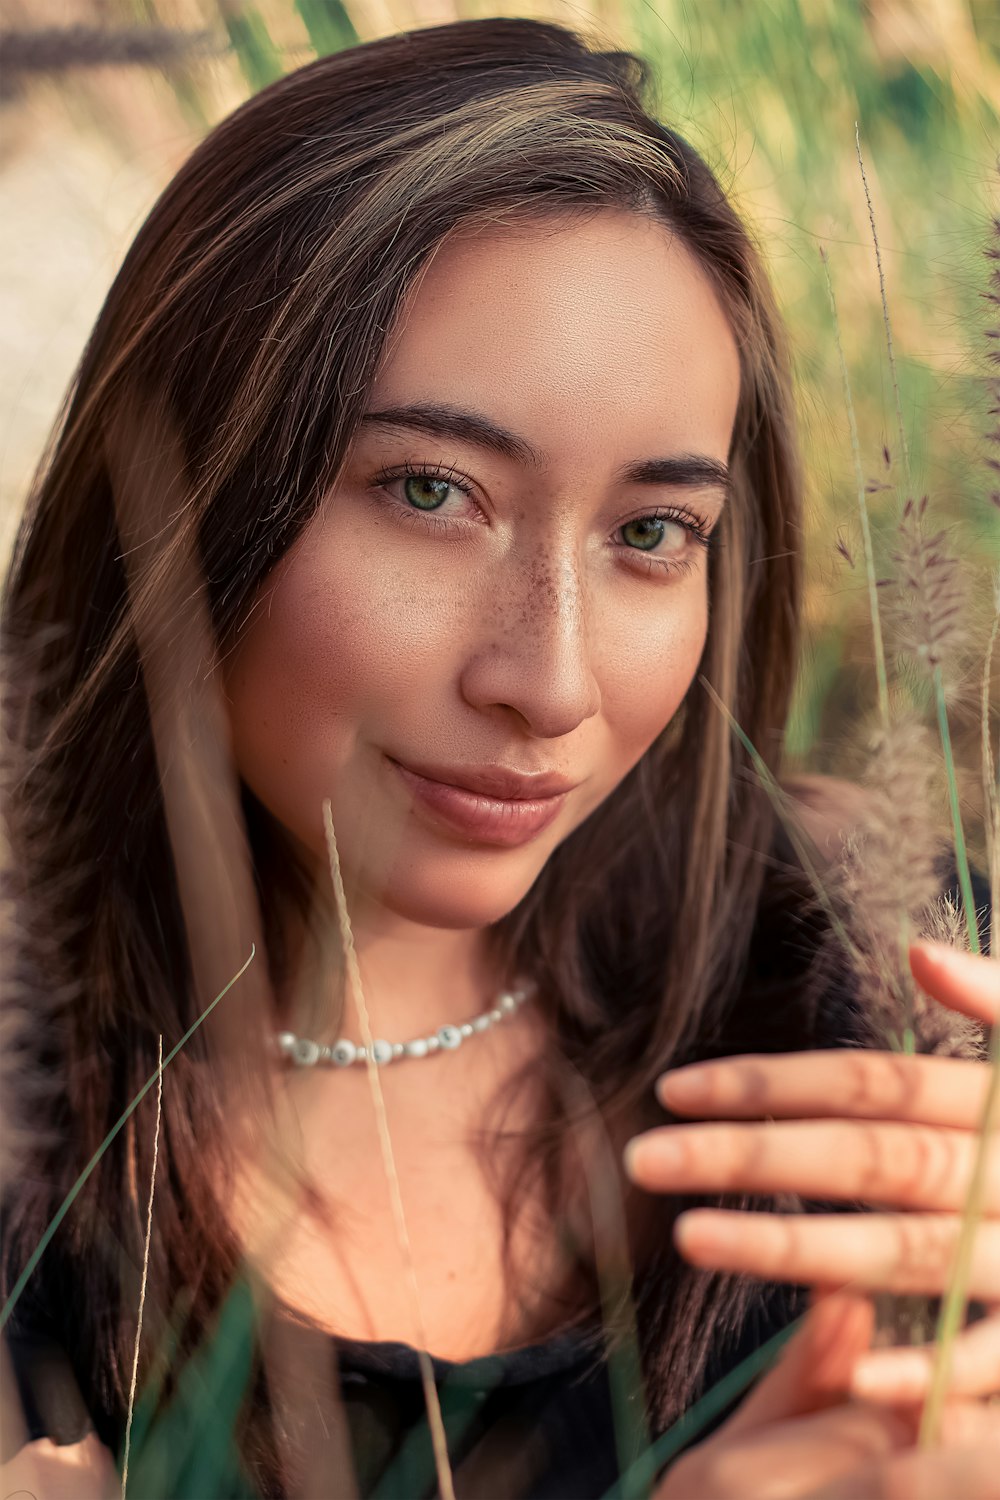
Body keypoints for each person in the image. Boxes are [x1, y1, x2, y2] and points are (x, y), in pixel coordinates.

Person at [0, 16, 997, 1499]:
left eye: (654, 533)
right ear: (190, 483)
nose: (551, 681)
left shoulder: (881, 996)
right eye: (430, 491)